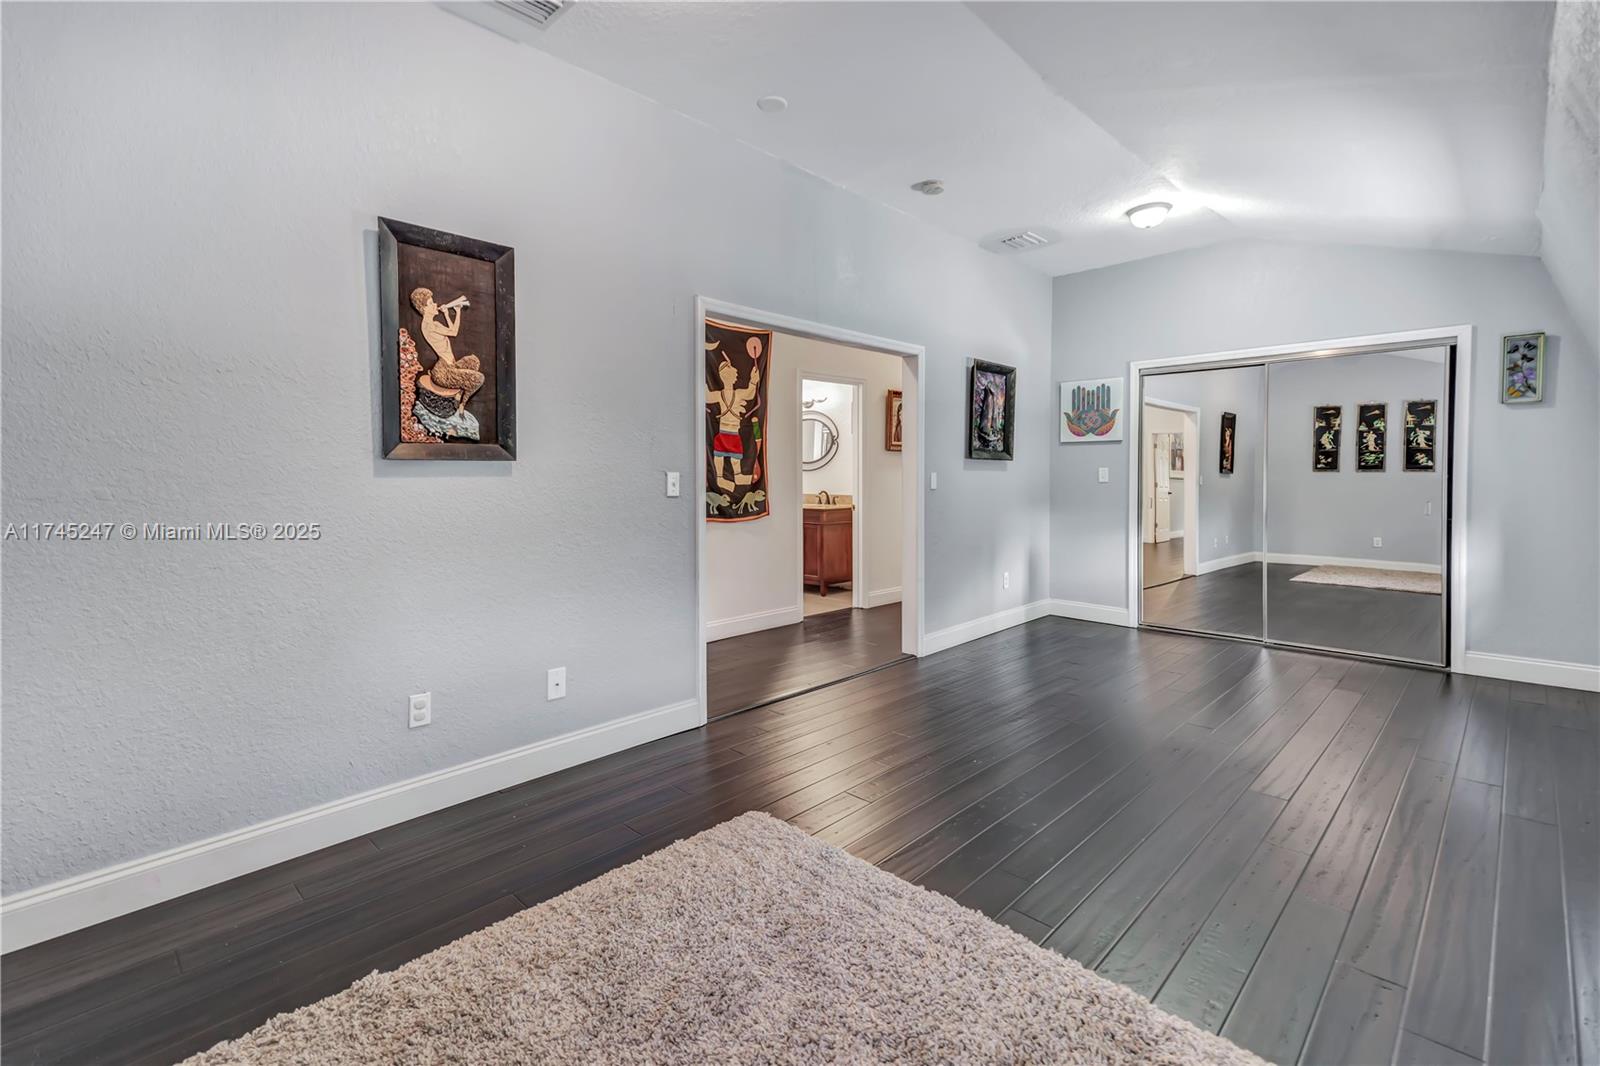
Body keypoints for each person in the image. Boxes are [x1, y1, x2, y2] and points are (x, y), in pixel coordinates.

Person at [411, 286, 485, 415]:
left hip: (451, 365)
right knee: (478, 378)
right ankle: (462, 403)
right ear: (424, 308)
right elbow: (454, 332)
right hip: (443, 371)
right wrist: (457, 312)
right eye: (431, 303)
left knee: (473, 361)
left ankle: (459, 393)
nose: (435, 305)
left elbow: (452, 331)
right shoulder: (429, 325)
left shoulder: (435, 324)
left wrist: (448, 314)